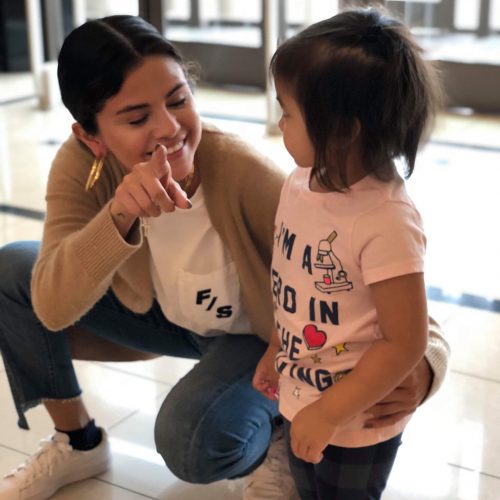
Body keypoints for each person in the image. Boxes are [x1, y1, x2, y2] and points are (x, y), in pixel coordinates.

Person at [0, 14, 448, 500]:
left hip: (259, 342)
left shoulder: (243, 171)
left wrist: (425, 366)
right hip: (166, 318)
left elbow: (391, 297)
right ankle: (78, 442)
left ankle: (278, 432)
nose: (169, 128)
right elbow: (51, 308)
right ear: (91, 137)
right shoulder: (83, 168)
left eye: (178, 100)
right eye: (137, 118)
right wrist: (120, 215)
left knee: (190, 441)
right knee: (13, 270)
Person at [252, 7, 445, 500]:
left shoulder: (385, 220)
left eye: (288, 112)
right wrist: (276, 347)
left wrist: (330, 411)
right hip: (301, 393)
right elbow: (293, 286)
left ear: (341, 130)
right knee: (307, 488)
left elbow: (405, 341)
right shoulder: (298, 185)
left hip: (357, 419)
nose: (280, 123)